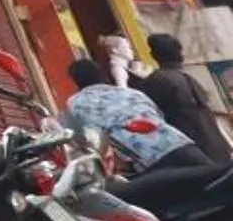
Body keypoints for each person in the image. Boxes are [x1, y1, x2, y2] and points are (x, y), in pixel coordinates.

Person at [66, 55, 214, 174]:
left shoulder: (75, 103)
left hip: (144, 157)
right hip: (176, 142)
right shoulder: (130, 93)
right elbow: (158, 115)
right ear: (100, 74)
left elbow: (84, 136)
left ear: (74, 81)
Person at [138, 33, 231, 163]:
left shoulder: (159, 80)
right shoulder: (183, 79)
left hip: (197, 155)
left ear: (154, 55)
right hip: (212, 151)